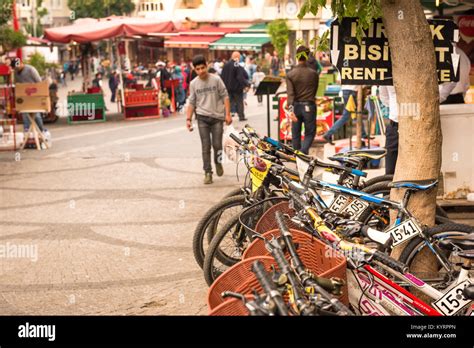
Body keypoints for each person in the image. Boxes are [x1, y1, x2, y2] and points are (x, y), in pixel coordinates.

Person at [186, 55, 232, 185]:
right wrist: (188, 119)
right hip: (202, 118)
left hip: (217, 117)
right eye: (198, 69)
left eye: (203, 68)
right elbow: (192, 102)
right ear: (194, 70)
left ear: (207, 66)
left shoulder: (216, 80)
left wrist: (228, 114)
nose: (201, 71)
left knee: (217, 145)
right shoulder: (193, 84)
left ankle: (218, 162)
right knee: (205, 146)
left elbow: (225, 97)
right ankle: (207, 172)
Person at [286, 46, 319, 154]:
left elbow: (290, 95)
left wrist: (291, 111)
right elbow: (314, 90)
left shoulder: (290, 74)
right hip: (309, 105)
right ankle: (303, 152)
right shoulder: (313, 74)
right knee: (310, 133)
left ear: (297, 56)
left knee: (295, 133)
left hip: (296, 107)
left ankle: (297, 155)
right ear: (308, 55)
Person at [11, 59, 45, 133]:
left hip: (34, 95)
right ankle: (27, 133)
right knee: (25, 115)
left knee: (36, 115)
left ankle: (41, 130)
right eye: (15, 68)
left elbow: (39, 82)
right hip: (24, 97)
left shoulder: (30, 69)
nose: (16, 69)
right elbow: (17, 84)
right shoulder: (16, 73)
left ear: (21, 63)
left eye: (17, 67)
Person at [221, 51, 249, 121]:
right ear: (237, 57)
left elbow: (222, 77)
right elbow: (240, 77)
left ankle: (225, 116)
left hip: (227, 88)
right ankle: (241, 116)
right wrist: (246, 84)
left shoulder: (226, 65)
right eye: (239, 57)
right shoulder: (237, 64)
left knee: (228, 103)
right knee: (239, 102)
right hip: (236, 88)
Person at [379, 86, 398, 175]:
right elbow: (383, 96)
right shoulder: (388, 74)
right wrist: (396, 107)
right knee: (390, 169)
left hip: (417, 124)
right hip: (395, 124)